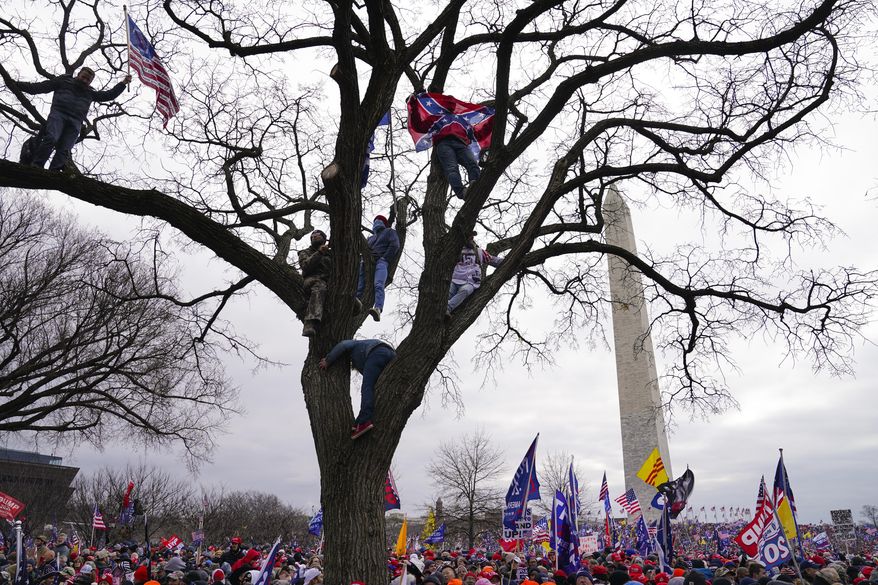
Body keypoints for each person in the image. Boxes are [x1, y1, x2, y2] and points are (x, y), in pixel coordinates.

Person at [12, 67, 131, 171]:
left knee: (65, 149)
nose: (85, 80)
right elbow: (39, 87)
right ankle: (37, 165)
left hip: (76, 121)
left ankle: (54, 172)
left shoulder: (90, 92)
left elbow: (108, 95)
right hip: (58, 114)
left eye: (88, 80)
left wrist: (123, 83)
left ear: (90, 82)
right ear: (78, 75)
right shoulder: (63, 81)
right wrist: (16, 84)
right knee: (51, 138)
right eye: (83, 77)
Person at [318, 338, 396, 439]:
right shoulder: (364, 350)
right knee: (374, 389)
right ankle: (359, 421)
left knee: (367, 388)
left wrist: (328, 360)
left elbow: (343, 345)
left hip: (376, 353)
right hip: (391, 355)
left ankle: (364, 422)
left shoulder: (355, 343)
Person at [447, 233, 504, 317]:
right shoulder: (456, 251)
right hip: (454, 280)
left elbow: (493, 260)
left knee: (465, 290)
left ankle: (448, 308)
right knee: (446, 294)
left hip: (470, 282)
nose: (471, 238)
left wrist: (507, 260)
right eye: (469, 236)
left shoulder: (479, 252)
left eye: (472, 237)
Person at [355, 215, 399, 321]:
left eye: (380, 220)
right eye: (375, 220)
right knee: (359, 287)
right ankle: (355, 306)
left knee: (379, 284)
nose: (377, 222)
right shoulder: (371, 238)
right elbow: (362, 249)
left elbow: (395, 245)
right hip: (365, 263)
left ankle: (378, 308)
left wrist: (385, 258)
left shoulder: (389, 232)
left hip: (381, 262)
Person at [297, 230, 331, 337]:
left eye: (318, 235)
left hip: (330, 283)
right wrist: (319, 253)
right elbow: (305, 266)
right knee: (319, 286)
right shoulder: (305, 252)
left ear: (324, 239)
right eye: (312, 236)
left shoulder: (332, 254)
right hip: (313, 280)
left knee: (356, 305)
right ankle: (309, 323)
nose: (314, 237)